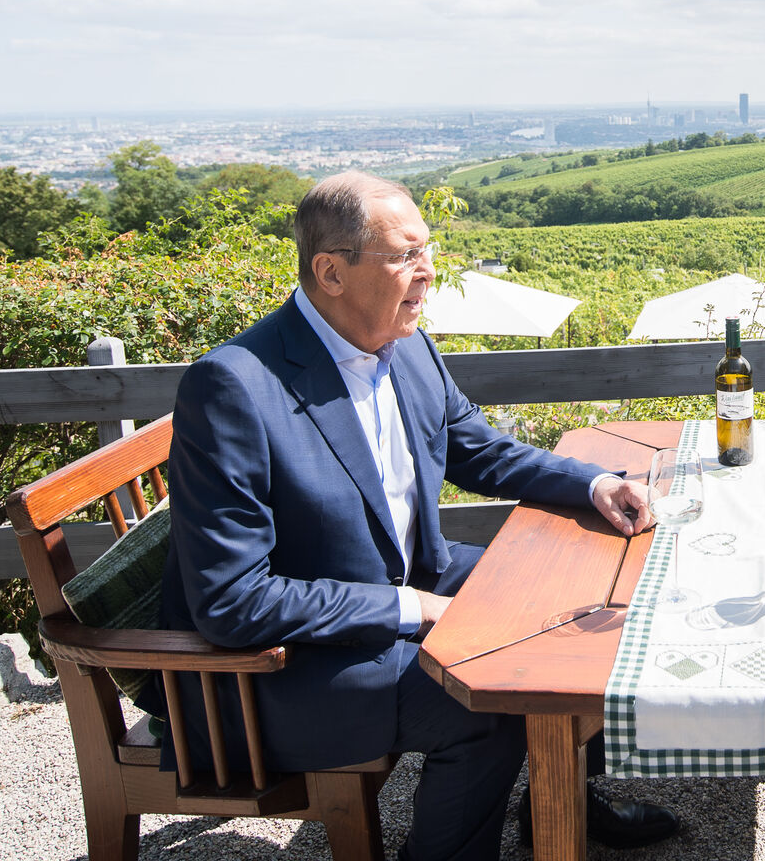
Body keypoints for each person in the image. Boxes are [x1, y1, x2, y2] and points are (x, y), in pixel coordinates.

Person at [151, 171, 679, 861]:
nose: (428, 273)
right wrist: (411, 609)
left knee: (578, 601)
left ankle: (562, 803)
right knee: (488, 707)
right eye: (405, 256)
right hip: (273, 674)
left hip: (385, 594)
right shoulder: (234, 388)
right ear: (330, 272)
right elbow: (232, 602)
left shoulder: (406, 349)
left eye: (429, 250)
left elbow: (477, 450)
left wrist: (594, 485)